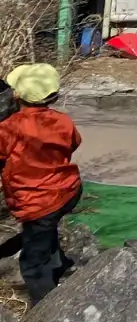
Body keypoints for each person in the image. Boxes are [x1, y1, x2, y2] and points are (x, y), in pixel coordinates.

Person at [0, 64, 82, 304]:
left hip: (37, 201)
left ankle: (45, 308)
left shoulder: (9, 128)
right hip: (68, 190)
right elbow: (74, 143)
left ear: (15, 94)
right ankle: (59, 263)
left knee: (32, 262)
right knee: (45, 229)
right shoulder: (63, 121)